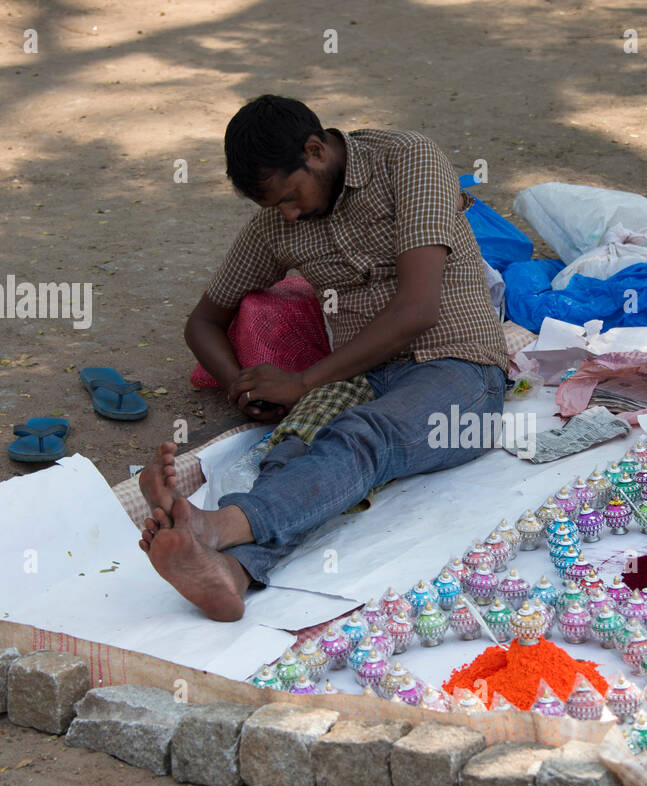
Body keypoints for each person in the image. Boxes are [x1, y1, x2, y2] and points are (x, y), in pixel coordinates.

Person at [138, 94, 508, 621]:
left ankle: (216, 525)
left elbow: (418, 309)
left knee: (363, 435)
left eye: (290, 196)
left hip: (460, 367)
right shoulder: (277, 223)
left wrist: (303, 381)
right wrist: (241, 389)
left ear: (316, 150)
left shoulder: (407, 159)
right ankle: (232, 573)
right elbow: (202, 322)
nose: (287, 214)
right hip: (359, 372)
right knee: (292, 449)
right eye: (274, 208)